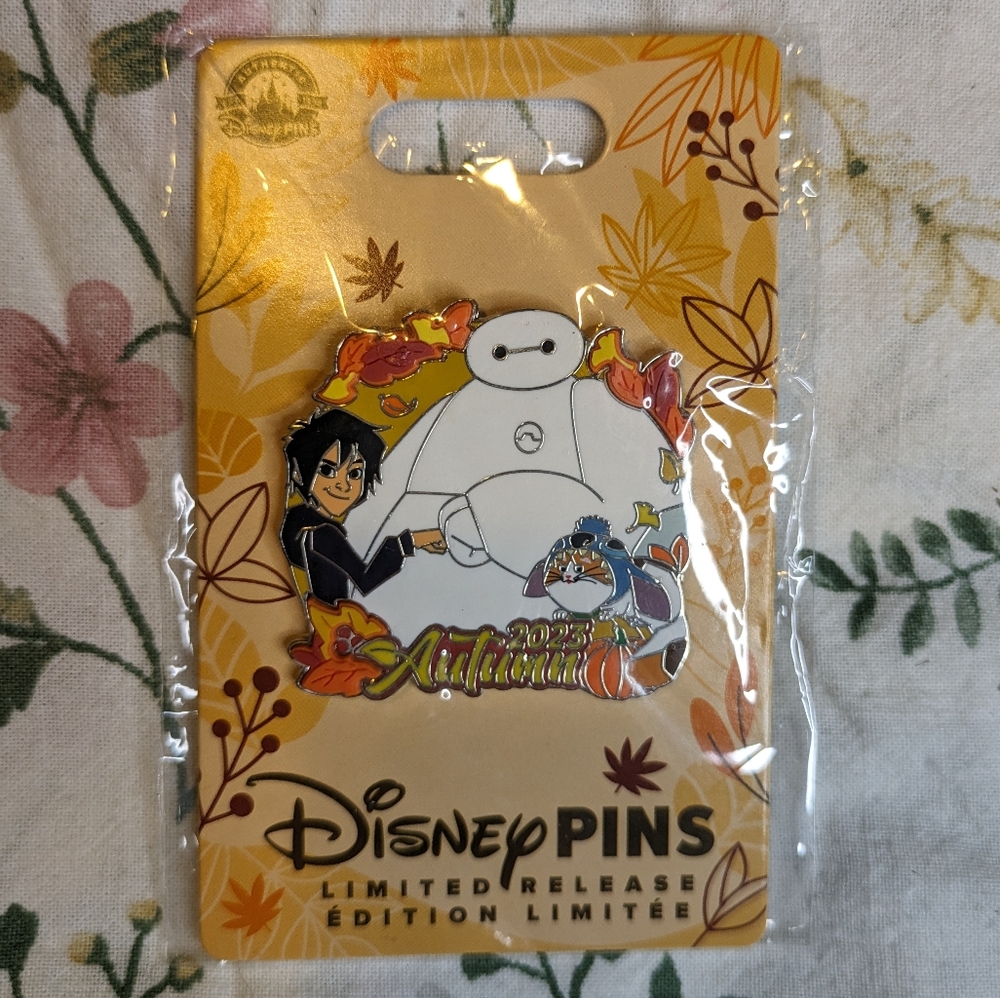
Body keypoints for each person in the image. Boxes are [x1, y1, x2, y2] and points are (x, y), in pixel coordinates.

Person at [280, 408, 446, 606]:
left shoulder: (301, 524)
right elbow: (366, 578)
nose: (344, 485)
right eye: (327, 470)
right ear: (298, 473)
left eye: (355, 474)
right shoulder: (321, 533)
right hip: (335, 618)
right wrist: (415, 540)